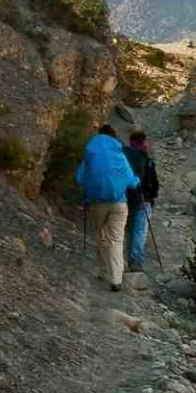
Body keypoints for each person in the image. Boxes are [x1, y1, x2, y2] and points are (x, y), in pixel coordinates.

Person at [75, 125, 138, 291]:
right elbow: (131, 181)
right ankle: (116, 279)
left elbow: (80, 178)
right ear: (113, 137)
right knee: (116, 239)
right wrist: (137, 180)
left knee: (101, 234)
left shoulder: (91, 152)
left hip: (97, 203)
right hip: (119, 203)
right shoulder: (119, 154)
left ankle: (104, 271)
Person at [122, 131, 162, 271]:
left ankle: (130, 261)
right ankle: (136, 261)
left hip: (126, 199)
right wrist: (151, 197)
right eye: (146, 141)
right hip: (143, 200)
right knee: (139, 231)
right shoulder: (146, 160)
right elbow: (154, 184)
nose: (147, 144)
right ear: (142, 143)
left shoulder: (124, 157)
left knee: (130, 230)